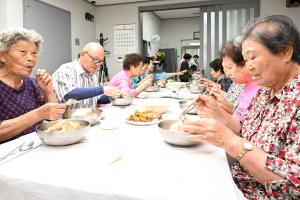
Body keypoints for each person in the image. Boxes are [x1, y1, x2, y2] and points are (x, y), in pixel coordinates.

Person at [183, 15, 300, 199]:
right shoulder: (265, 90)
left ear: (285, 51)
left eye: (252, 58)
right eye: (245, 60)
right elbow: (245, 129)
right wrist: (217, 113)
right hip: (236, 177)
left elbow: (294, 186)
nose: (249, 67)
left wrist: (228, 141)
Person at [0, 28, 66, 143]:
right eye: (22, 52)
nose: (31, 58)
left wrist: (48, 92)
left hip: (33, 148)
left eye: (34, 53)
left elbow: (55, 121)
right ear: (2, 56)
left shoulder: (31, 83)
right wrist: (38, 114)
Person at [52, 42, 122, 108]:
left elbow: (96, 98)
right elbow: (69, 94)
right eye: (95, 59)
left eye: (101, 62)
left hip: (88, 117)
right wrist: (102, 89)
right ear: (82, 54)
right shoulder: (66, 69)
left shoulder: (92, 74)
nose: (98, 64)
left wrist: (113, 96)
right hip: (68, 119)